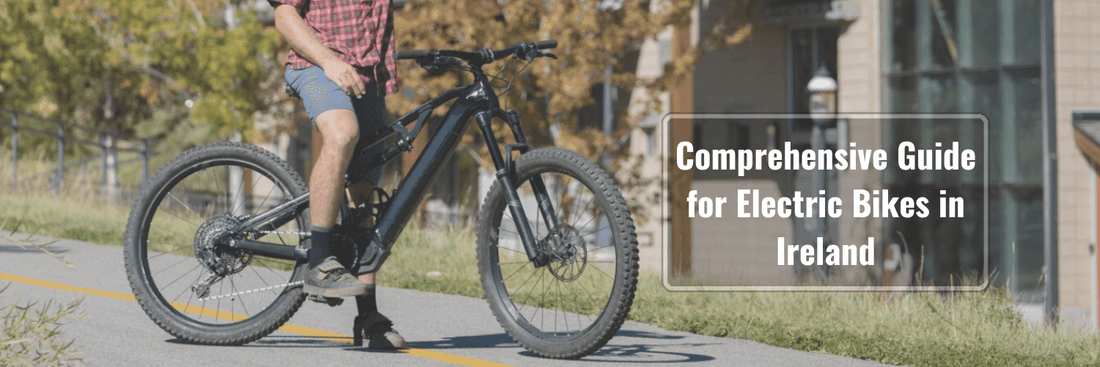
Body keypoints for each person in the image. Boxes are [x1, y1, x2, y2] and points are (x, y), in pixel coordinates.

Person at [268, 0, 405, 349]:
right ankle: (319, 260)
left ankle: (369, 318)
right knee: (342, 133)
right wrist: (329, 61)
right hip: (314, 67)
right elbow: (284, 14)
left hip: (368, 81)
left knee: (364, 198)